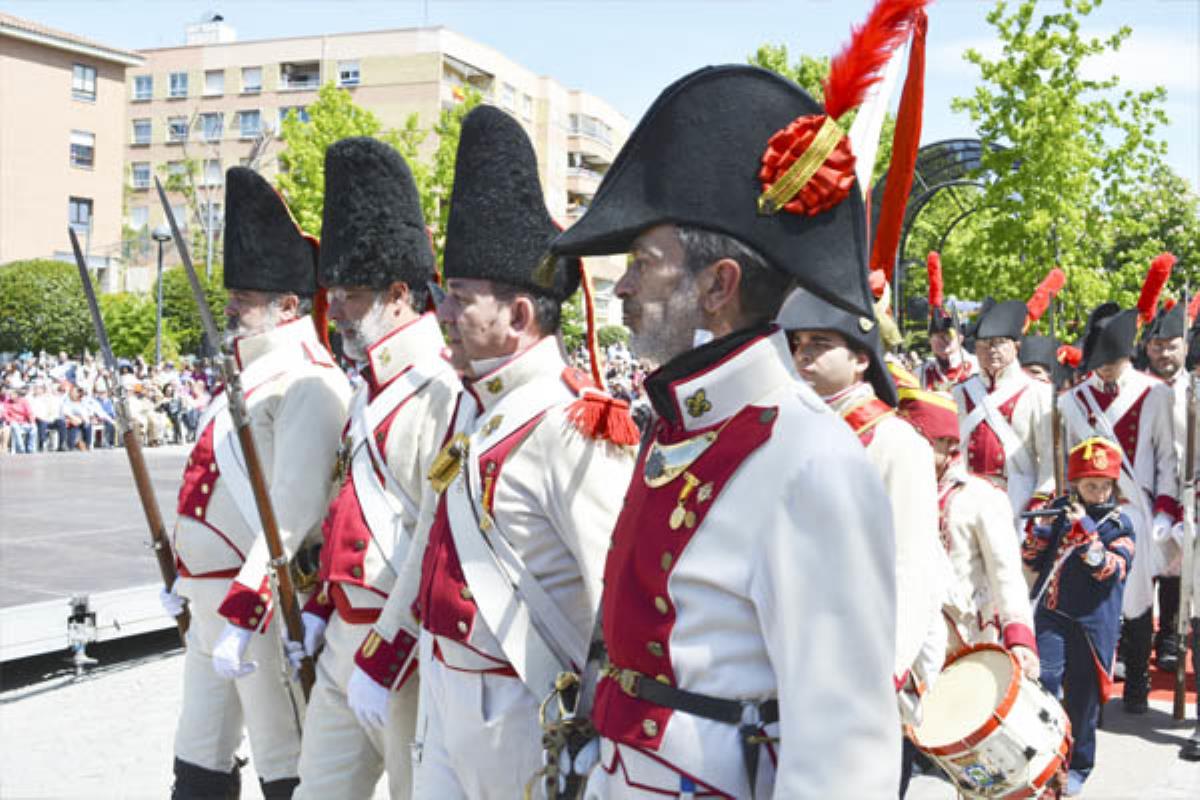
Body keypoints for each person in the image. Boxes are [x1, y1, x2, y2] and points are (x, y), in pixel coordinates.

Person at [551, 63, 901, 796]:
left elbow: (843, 752)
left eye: (644, 264)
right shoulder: (680, 427)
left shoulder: (811, 460)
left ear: (719, 287)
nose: (621, 287)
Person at [397, 105, 635, 799]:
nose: (443, 312)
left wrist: (603, 744)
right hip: (446, 692)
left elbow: (612, 601)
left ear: (520, 316)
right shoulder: (478, 408)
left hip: (522, 709)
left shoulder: (574, 424)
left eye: (462, 297)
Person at [160, 166, 351, 799]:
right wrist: (183, 576)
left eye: (245, 295)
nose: (232, 305)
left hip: (264, 606)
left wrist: (246, 604)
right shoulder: (243, 378)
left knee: (283, 756)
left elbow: (293, 510)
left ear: (289, 304)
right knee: (199, 756)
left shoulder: (308, 379)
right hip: (211, 603)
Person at [287, 137, 461, 800]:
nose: (339, 314)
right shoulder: (367, 390)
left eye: (353, 296)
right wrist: (319, 607)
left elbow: (433, 538)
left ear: (397, 294)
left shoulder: (439, 393)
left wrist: (387, 654)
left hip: (406, 651)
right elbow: (344, 511)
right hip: (341, 638)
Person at [778, 286, 951, 793]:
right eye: (798, 343)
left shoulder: (894, 442)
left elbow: (910, 569)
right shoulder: (792, 428)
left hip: (863, 663)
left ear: (860, 360)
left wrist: (879, 678)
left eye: (818, 343)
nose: (802, 354)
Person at [1058, 302, 1180, 714]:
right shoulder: (1074, 401)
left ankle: (1138, 686)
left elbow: (1166, 457)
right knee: (1096, 602)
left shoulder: (1154, 393)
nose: (1104, 370)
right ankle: (1097, 686)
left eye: (1109, 362)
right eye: (1098, 363)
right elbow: (1069, 462)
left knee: (1138, 600)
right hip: (1093, 513)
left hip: (1138, 510)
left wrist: (1165, 509)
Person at [1023, 437, 1134, 796]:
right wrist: (1039, 536)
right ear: (1075, 484)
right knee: (1045, 685)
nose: (1099, 493)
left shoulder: (1121, 523)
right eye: (1091, 485)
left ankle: (1078, 767)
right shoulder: (1059, 509)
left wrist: (1084, 531)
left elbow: (1110, 571)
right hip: (1053, 614)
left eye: (1105, 486)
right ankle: (1045, 761)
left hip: (1092, 624)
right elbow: (1033, 562)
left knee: (1083, 702)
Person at [900, 389, 1038, 662]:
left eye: (919, 441)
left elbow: (1006, 574)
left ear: (946, 443)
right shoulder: (895, 489)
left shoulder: (981, 496)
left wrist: (1019, 638)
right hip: (905, 635)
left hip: (965, 638)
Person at [953, 299, 1055, 521]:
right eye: (984, 344)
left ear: (1016, 346)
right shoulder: (960, 393)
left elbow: (1049, 459)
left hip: (1017, 496)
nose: (992, 350)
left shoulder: (1038, 393)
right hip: (968, 495)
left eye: (999, 342)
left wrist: (1042, 499)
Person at [1142, 289, 1192, 671]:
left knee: (1182, 572)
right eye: (1157, 346)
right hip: (1147, 492)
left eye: (1171, 346)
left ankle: (1172, 637)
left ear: (1185, 347)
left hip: (1189, 494)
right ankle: (1136, 645)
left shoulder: (1195, 391)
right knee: (1146, 572)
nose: (1164, 354)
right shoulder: (1138, 393)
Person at [919, 252, 977, 391]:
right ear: (930, 341)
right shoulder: (919, 374)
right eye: (937, 336)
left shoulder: (977, 369)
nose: (943, 342)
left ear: (961, 338)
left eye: (948, 335)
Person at [3, 387, 36, 453]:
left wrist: (32, 422)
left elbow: (29, 412)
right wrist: (11, 420)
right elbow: (5, 414)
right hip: (13, 422)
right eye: (10, 394)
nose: (10, 396)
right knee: (15, 426)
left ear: (17, 395)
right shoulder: (7, 402)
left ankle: (30, 448)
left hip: (24, 422)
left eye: (12, 394)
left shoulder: (24, 401)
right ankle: (21, 448)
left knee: (34, 429)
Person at [61, 385, 92, 451]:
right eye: (73, 392)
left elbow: (85, 413)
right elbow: (66, 413)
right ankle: (73, 444)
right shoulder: (66, 401)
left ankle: (87, 445)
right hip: (70, 421)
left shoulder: (82, 402)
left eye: (77, 392)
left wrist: (83, 420)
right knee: (71, 445)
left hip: (80, 421)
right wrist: (75, 419)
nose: (76, 394)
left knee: (88, 425)